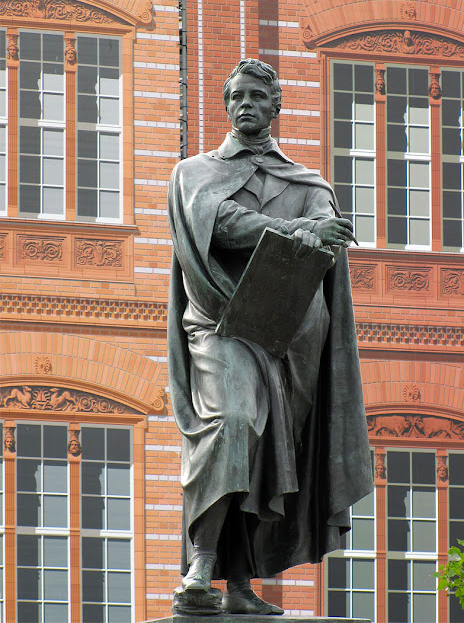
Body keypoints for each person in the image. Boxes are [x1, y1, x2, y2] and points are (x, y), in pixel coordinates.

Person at [167, 59, 373, 615]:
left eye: (258, 96)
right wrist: (300, 229)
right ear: (227, 104)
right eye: (236, 96)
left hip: (285, 340)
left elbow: (331, 236)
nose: (245, 104)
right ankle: (202, 563)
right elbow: (224, 224)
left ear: (275, 106)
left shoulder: (306, 182)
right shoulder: (196, 173)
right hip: (220, 326)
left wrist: (314, 230)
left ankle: (238, 585)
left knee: (267, 456)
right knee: (232, 424)